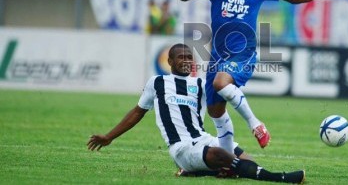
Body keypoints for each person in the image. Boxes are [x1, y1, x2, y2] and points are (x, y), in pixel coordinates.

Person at [179, 0, 346, 152]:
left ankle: (255, 124)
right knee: (215, 111)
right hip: (217, 55)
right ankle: (229, 162)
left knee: (221, 83)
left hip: (243, 52)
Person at [87, 44, 305, 184]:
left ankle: (195, 172)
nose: (186, 61)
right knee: (223, 158)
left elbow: (221, 99)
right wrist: (109, 137)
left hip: (203, 139)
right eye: (181, 57)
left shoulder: (201, 84)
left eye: (189, 57)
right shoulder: (158, 83)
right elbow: (137, 112)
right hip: (181, 148)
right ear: (170, 62)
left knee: (243, 157)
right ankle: (280, 178)